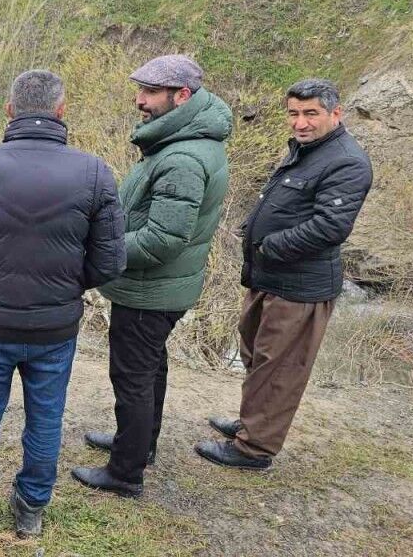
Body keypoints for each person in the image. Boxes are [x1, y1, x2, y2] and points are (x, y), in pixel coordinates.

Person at [0, 70, 126, 545]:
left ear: (10, 111)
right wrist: (66, 286)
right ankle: (30, 508)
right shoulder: (95, 172)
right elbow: (111, 262)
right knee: (46, 419)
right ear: (61, 110)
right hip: (54, 327)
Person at [70, 55, 232, 498]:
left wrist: (102, 252)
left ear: (183, 95)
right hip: (160, 288)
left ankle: (125, 472)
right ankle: (140, 446)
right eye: (140, 90)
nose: (140, 101)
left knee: (133, 378)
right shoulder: (185, 140)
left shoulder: (182, 157)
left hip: (150, 291)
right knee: (149, 368)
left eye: (151, 92)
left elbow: (163, 239)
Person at [199, 79, 372, 470]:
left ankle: (254, 449)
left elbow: (330, 227)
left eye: (311, 113)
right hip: (269, 278)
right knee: (257, 355)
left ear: (336, 113)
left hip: (300, 287)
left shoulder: (347, 161)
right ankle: (252, 423)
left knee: (279, 369)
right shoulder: (307, 150)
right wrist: (251, 228)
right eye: (294, 113)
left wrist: (269, 246)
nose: (300, 122)